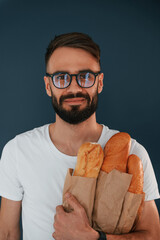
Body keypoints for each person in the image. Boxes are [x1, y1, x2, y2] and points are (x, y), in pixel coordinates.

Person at [0, 32, 159, 240]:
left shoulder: (133, 153)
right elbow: (7, 233)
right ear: (48, 86)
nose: (74, 88)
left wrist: (94, 238)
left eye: (85, 76)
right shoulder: (18, 151)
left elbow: (153, 235)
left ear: (99, 83)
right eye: (61, 78)